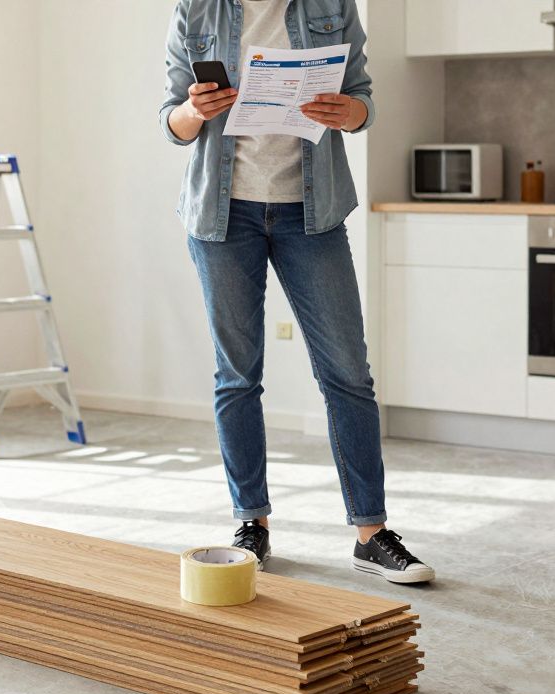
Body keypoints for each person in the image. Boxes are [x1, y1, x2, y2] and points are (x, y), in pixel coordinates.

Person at [160, 0, 434, 584]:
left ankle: (371, 533)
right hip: (221, 216)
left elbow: (363, 104)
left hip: (312, 216)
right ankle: (250, 523)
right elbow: (171, 122)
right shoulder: (197, 8)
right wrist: (192, 109)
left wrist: (349, 111)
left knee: (347, 374)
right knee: (237, 375)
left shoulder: (332, 6)